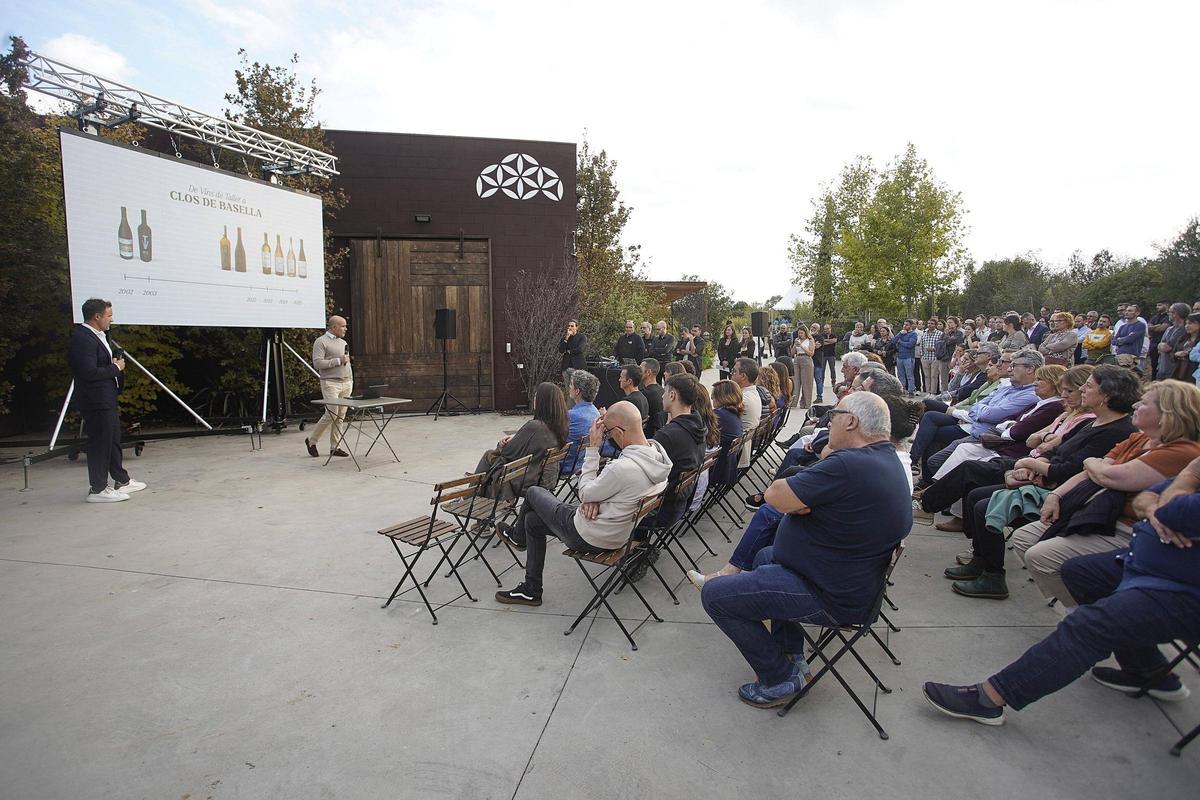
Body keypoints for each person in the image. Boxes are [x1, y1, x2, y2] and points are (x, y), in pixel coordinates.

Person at [922, 456, 1200, 727]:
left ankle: (989, 699)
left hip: (1179, 586)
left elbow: (1173, 513)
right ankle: (1147, 668)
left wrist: (1189, 476)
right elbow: (1144, 500)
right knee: (1078, 572)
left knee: (1089, 625)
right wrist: (1156, 502)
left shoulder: (1190, 465)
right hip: (1144, 564)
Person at [699, 392, 911, 708]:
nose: (829, 422)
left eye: (834, 416)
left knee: (716, 595)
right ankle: (789, 653)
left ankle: (780, 677)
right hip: (845, 580)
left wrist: (799, 498)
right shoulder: (883, 458)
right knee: (764, 557)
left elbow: (775, 494)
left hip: (830, 594)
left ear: (851, 422)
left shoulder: (850, 464)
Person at [1009, 380, 1200, 605]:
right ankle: (1087, 608)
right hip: (1093, 511)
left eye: (1144, 403)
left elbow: (1108, 475)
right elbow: (1091, 473)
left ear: (1168, 413)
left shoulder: (1183, 451)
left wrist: (1095, 465)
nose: (1136, 405)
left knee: (1042, 556)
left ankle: (1087, 614)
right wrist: (1055, 496)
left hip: (1124, 526)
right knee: (1023, 539)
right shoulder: (1139, 438)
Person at [495, 401, 671, 605]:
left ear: (620, 432)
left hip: (589, 535)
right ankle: (531, 589)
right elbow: (598, 493)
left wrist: (593, 449)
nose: (608, 438)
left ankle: (518, 538)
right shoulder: (657, 458)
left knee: (535, 492)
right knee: (533, 521)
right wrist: (594, 496)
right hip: (617, 532)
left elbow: (586, 492)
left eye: (608, 433)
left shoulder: (624, 468)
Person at [69, 298, 143, 503]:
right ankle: (98, 488)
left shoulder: (98, 336)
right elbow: (88, 372)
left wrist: (112, 362)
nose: (111, 319)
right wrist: (115, 368)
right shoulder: (82, 338)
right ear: (97, 316)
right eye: (109, 315)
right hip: (95, 399)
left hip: (106, 397)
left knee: (112, 440)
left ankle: (121, 480)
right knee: (100, 443)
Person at [472, 381, 568, 499]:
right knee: (494, 457)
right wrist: (517, 438)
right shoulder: (558, 427)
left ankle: (470, 496)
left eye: (536, 396)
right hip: (543, 477)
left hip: (524, 480)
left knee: (489, 454)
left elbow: (509, 451)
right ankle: (477, 488)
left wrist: (501, 445)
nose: (534, 399)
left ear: (542, 402)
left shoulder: (535, 426)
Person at [306, 315, 353, 459]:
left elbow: (347, 363)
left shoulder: (343, 342)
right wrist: (337, 360)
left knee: (340, 417)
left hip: (346, 383)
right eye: (343, 326)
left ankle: (335, 447)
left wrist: (350, 379)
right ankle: (311, 441)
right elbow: (318, 363)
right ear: (334, 327)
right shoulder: (320, 342)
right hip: (330, 383)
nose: (345, 328)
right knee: (331, 414)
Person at [563, 369, 600, 474]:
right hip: (584, 461)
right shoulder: (595, 412)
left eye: (571, 384)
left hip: (568, 464)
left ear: (577, 391)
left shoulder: (571, 415)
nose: (569, 387)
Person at [710, 379, 746, 488]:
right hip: (727, 468)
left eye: (714, 395)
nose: (711, 398)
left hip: (716, 470)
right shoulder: (733, 413)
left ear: (722, 397)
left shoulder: (719, 414)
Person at [731, 358, 762, 468]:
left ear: (743, 376)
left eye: (734, 372)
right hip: (743, 447)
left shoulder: (742, 399)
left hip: (735, 453)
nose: (731, 374)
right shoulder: (753, 393)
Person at [1156, 302, 1192, 380]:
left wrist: (1163, 346)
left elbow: (1167, 348)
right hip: (1162, 367)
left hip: (1173, 369)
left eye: (1170, 311)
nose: (1168, 313)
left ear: (1176, 313)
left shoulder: (1183, 329)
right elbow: (1160, 346)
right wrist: (1162, 346)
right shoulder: (1169, 329)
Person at [640, 358, 665, 436]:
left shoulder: (645, 394)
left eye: (640, 369)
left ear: (648, 372)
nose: (638, 372)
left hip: (646, 436)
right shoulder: (662, 390)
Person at [1147, 301, 1172, 378]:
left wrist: (1154, 327)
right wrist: (1157, 326)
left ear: (1166, 305)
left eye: (1160, 305)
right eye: (1157, 305)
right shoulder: (1155, 317)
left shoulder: (1168, 317)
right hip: (1154, 344)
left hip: (1164, 343)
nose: (1157, 307)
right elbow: (1148, 327)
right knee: (1154, 365)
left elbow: (1163, 328)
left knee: (1162, 366)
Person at [791, 326, 815, 409]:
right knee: (795, 381)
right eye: (799, 333)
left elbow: (811, 353)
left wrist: (801, 346)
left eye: (801, 333)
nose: (800, 335)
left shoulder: (810, 340)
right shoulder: (796, 340)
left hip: (806, 359)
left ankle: (805, 403)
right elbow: (792, 353)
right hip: (797, 359)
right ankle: (793, 402)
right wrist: (795, 345)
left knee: (806, 382)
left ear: (805, 333)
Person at [559, 319, 587, 384]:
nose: (569, 327)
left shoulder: (581, 337)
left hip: (577, 366)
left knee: (577, 387)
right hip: (566, 367)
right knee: (568, 387)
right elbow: (561, 350)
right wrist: (566, 338)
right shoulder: (565, 338)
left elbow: (580, 349)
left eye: (572, 326)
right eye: (568, 326)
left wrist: (569, 351)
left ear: (576, 327)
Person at [894, 320, 919, 393]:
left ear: (911, 326)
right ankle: (903, 389)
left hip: (908, 357)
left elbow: (910, 345)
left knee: (909, 375)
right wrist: (899, 334)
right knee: (900, 374)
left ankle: (911, 390)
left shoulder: (913, 334)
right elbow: (893, 341)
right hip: (899, 357)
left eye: (907, 325)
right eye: (904, 324)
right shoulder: (901, 333)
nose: (905, 326)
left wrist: (900, 342)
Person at [816, 323, 838, 402]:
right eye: (825, 329)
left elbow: (834, 341)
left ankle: (833, 381)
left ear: (830, 328)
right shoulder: (822, 335)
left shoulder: (833, 335)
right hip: (824, 355)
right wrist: (828, 341)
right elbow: (822, 343)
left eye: (827, 329)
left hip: (831, 355)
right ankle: (822, 382)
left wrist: (825, 341)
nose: (826, 330)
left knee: (832, 369)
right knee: (822, 369)